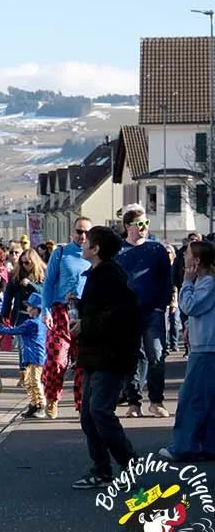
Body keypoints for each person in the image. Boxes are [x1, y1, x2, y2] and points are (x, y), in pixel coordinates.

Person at [71, 225, 141, 490]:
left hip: (111, 355)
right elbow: (99, 310)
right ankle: (101, 470)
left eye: (87, 240)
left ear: (96, 248)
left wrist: (85, 324)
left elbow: (121, 316)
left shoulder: (110, 276)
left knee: (99, 411)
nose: (83, 243)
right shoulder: (97, 274)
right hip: (95, 354)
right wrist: (80, 310)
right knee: (89, 416)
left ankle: (130, 464)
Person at [116, 208, 174, 418]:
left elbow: (166, 280)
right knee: (132, 358)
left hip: (153, 312)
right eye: (139, 224)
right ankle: (133, 402)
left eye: (146, 223)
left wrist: (162, 304)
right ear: (127, 227)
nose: (143, 228)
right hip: (128, 314)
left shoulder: (156, 249)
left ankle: (156, 401)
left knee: (156, 355)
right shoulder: (118, 251)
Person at [161, 239, 215, 462]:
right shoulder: (207, 281)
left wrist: (187, 282)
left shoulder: (206, 282)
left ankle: (184, 446)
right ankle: (208, 445)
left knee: (192, 398)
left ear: (197, 260)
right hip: (204, 343)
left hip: (206, 348)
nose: (184, 258)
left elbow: (190, 306)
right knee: (208, 400)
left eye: (188, 254)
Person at [42, 217, 91, 419]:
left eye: (87, 233)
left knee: (83, 361)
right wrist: (46, 310)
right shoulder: (61, 253)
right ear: (72, 232)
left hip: (86, 311)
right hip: (61, 311)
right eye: (79, 232)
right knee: (56, 359)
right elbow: (48, 283)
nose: (83, 236)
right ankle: (52, 398)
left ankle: (81, 403)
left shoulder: (94, 255)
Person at [0, 292, 48, 418]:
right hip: (37, 355)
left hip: (33, 356)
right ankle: (33, 404)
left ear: (36, 309)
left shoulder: (32, 323)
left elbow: (13, 331)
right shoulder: (41, 322)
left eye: (29, 307)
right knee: (29, 381)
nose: (27, 309)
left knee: (34, 381)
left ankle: (40, 406)